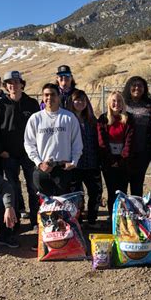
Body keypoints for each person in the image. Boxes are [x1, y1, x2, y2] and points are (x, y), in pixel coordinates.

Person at [0, 71, 40, 228]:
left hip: (29, 154)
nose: (13, 85)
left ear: (22, 84)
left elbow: (39, 128)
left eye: (16, 82)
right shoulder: (1, 104)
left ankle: (35, 219)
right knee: (12, 188)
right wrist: (0, 150)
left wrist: (36, 150)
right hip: (9, 154)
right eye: (9, 83)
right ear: (6, 86)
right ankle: (16, 220)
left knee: (33, 188)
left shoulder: (31, 103)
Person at [24, 83, 83, 198]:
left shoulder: (69, 117)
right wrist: (39, 163)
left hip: (64, 168)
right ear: (42, 97)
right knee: (45, 208)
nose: (49, 98)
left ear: (59, 96)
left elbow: (77, 143)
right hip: (43, 170)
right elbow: (29, 143)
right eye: (46, 95)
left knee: (64, 207)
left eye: (53, 94)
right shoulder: (35, 118)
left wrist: (74, 161)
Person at [66, 89, 103, 228]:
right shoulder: (67, 120)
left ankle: (92, 220)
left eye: (83, 100)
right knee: (77, 194)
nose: (80, 102)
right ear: (72, 102)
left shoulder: (92, 120)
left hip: (92, 162)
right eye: (77, 100)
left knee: (96, 192)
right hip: (75, 164)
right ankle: (78, 221)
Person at [97, 91, 134, 217]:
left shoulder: (128, 118)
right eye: (113, 101)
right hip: (108, 162)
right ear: (109, 103)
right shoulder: (103, 119)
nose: (116, 103)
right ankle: (112, 217)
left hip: (124, 161)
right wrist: (111, 160)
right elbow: (102, 142)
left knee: (122, 190)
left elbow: (129, 140)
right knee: (112, 190)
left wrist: (122, 159)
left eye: (119, 101)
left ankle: (122, 217)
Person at [122, 76, 151, 196]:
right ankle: (122, 212)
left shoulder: (150, 106)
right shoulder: (122, 104)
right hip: (123, 151)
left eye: (140, 85)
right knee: (122, 183)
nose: (137, 88)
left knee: (137, 183)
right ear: (128, 87)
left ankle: (137, 211)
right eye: (134, 85)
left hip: (142, 150)